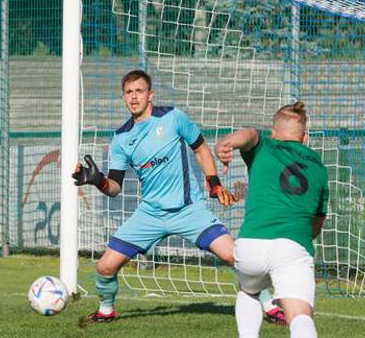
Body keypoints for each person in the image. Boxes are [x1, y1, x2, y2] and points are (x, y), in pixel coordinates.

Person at [73, 69, 280, 325]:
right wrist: (99, 181)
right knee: (105, 267)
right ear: (123, 97)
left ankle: (270, 305)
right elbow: (115, 187)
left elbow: (201, 148)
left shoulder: (173, 117)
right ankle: (106, 311)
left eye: (139, 91)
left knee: (233, 255)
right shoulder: (121, 138)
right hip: (150, 214)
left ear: (150, 94)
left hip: (188, 210)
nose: (134, 97)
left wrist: (214, 184)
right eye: (128, 92)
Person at [214, 102, 328, 338]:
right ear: (305, 137)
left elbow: (250, 134)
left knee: (249, 291)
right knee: (300, 315)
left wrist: (228, 143)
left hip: (251, 245)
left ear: (274, 132)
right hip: (292, 246)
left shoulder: (264, 146)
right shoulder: (318, 166)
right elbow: (316, 224)